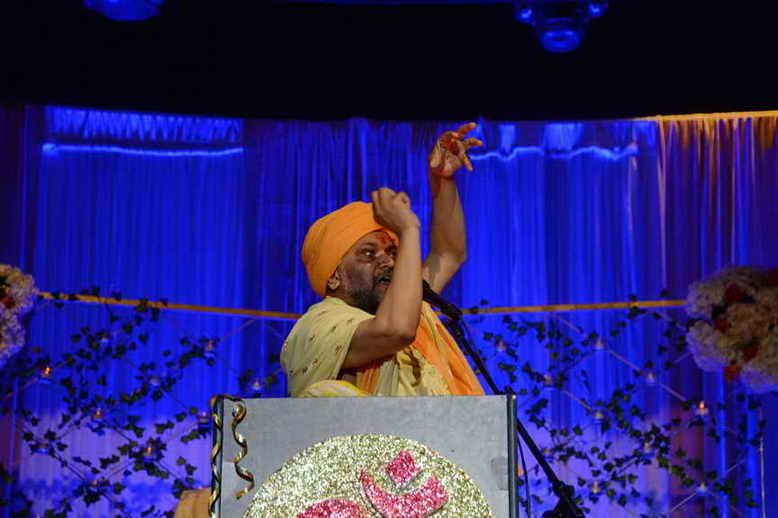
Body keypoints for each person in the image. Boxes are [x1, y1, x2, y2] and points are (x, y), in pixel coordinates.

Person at [281, 123, 485, 397]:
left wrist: (443, 181)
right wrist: (408, 230)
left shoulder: (401, 308)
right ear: (334, 276)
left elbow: (448, 254)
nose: (388, 262)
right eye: (369, 253)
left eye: (393, 253)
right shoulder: (317, 326)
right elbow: (395, 331)